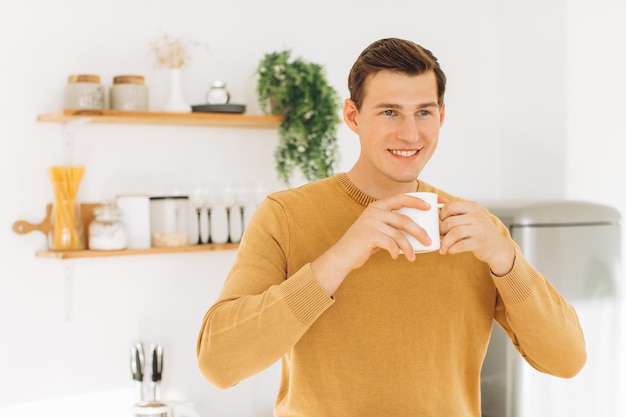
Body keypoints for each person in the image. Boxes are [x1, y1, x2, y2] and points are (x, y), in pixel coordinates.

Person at [196, 38, 586, 416]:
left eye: (423, 112)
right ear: (353, 116)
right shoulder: (285, 215)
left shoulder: (475, 231)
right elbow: (219, 364)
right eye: (389, 112)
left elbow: (567, 360)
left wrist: (506, 259)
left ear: (441, 116)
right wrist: (341, 257)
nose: (410, 133)